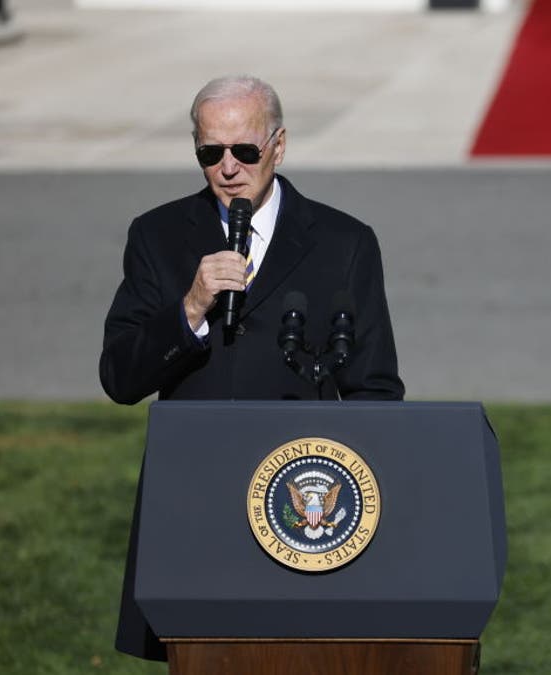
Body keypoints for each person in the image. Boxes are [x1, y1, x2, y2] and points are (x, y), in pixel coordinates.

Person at [100, 75, 404, 661]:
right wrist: (189, 308)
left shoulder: (345, 243)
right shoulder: (158, 236)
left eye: (245, 150)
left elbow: (376, 392)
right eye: (210, 153)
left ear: (279, 146)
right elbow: (119, 377)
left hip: (303, 508)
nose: (228, 168)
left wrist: (346, 514)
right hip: (194, 500)